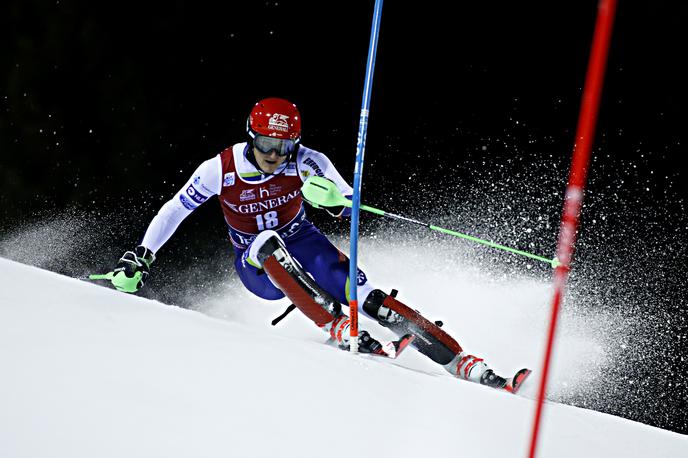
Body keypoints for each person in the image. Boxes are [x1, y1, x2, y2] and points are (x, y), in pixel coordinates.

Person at [112, 97, 528, 391]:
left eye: (283, 147)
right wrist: (144, 256)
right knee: (265, 241)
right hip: (256, 262)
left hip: (304, 240)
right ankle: (334, 323)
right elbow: (174, 210)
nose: (274, 156)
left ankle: (465, 363)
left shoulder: (306, 159)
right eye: (266, 146)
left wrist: (338, 201)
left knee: (368, 297)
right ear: (250, 137)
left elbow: (349, 203)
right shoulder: (218, 168)